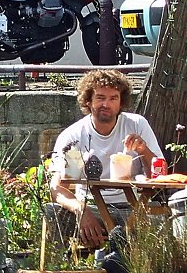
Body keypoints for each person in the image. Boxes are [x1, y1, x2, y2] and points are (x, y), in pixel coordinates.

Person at [49, 69, 163, 248]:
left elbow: (158, 177)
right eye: (100, 98)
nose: (106, 104)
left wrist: (143, 150)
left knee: (162, 219)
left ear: (121, 102)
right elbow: (58, 187)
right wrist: (81, 209)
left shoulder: (136, 125)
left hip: (131, 206)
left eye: (113, 98)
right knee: (52, 213)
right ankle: (63, 272)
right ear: (88, 101)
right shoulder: (75, 136)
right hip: (91, 207)